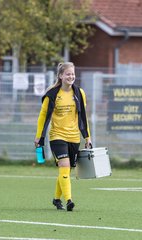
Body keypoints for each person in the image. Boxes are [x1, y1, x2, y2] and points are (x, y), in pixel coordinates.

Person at [34, 62, 92, 212]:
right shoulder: (52, 94)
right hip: (57, 136)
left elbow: (84, 117)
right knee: (64, 166)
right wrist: (39, 137)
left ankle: (56, 199)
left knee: (66, 171)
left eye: (72, 74)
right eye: (68, 74)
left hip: (74, 137)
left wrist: (87, 137)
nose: (71, 76)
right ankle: (69, 201)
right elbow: (43, 117)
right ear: (60, 76)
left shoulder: (79, 93)